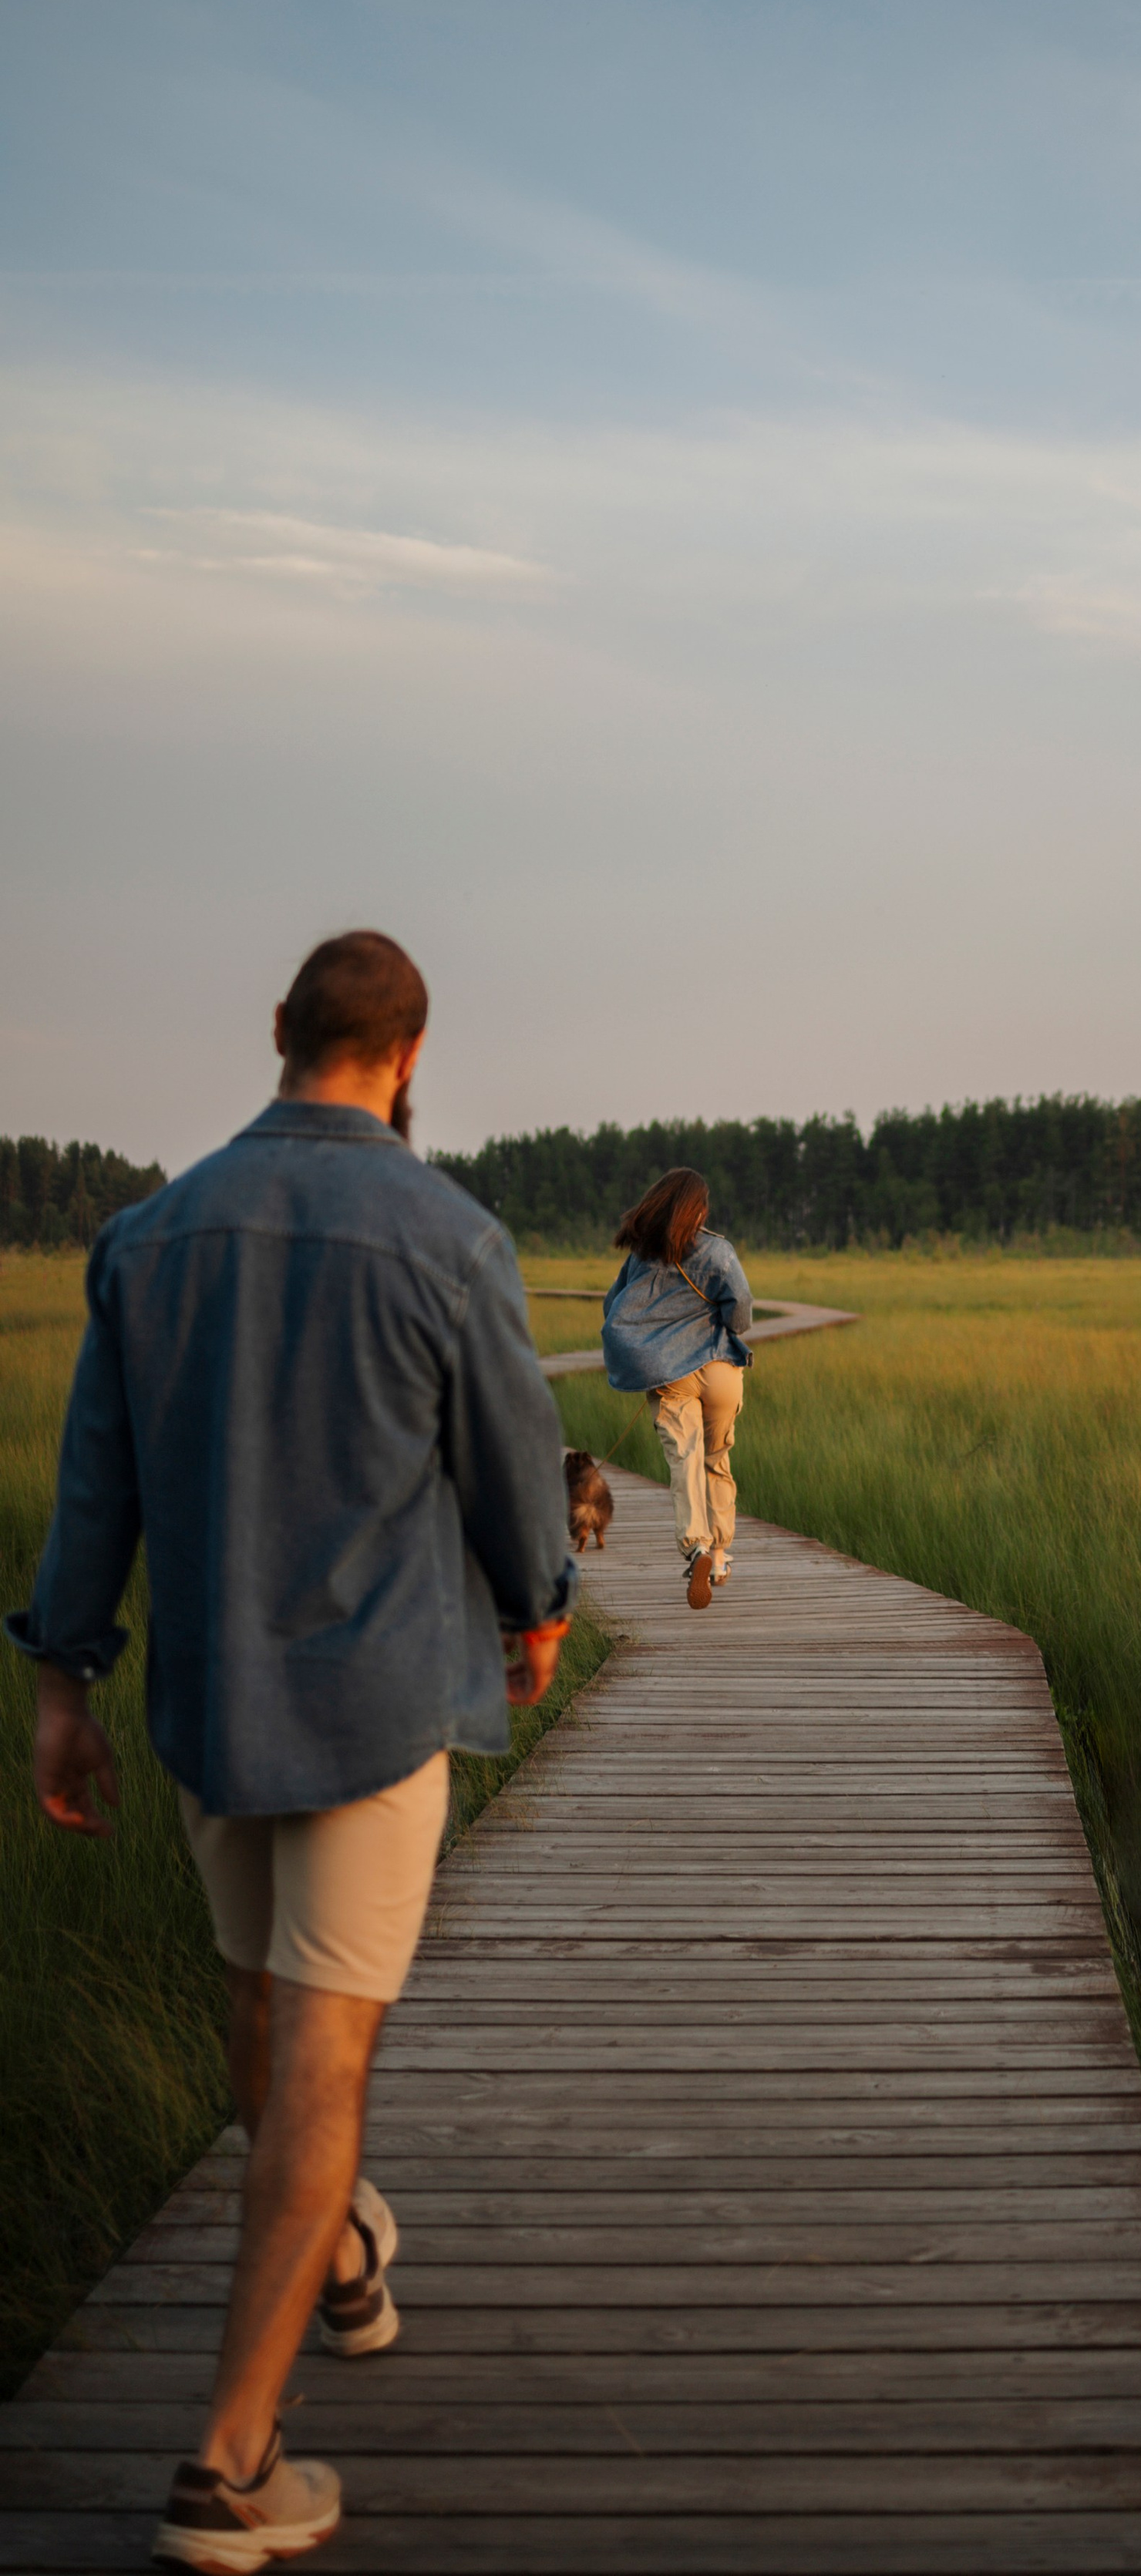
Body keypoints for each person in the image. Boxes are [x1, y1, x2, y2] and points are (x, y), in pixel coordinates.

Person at [8, 930, 578, 2574]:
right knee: (324, 2061)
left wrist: (63, 1691)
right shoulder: (449, 1235)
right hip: (376, 1710)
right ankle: (229, 2466)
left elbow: (93, 1485)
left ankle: (332, 2256)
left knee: (261, 2010)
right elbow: (510, 1468)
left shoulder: (146, 1236)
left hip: (205, 1711)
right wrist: (537, 1611)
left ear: (278, 1033)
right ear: (410, 1056)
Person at [601, 1165, 753, 1607]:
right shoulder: (719, 1252)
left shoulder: (642, 1256)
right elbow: (740, 1310)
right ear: (698, 1209)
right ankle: (721, 1556)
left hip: (672, 1374)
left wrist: (651, 1338)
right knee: (717, 1458)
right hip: (721, 1367)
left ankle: (698, 1548)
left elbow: (613, 1306)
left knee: (684, 1459)